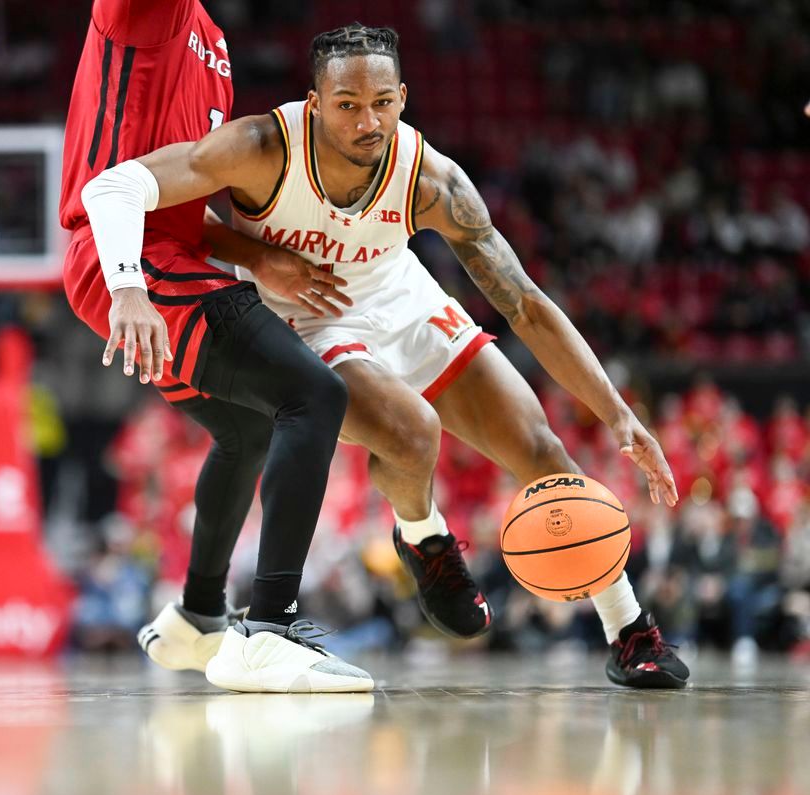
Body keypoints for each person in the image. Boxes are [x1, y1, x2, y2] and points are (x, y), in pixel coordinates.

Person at [83, 23, 690, 689]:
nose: (367, 121)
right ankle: (424, 534)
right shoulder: (261, 147)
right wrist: (171, 275)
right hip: (306, 312)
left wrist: (617, 414)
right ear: (315, 105)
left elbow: (525, 304)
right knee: (412, 432)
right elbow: (121, 190)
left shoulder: (432, 180)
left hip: (399, 293)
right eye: (347, 105)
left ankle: (631, 630)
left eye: (382, 103)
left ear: (402, 97)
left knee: (544, 454)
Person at [61, 0, 372, 692]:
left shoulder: (215, 45)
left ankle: (199, 619)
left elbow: (183, 201)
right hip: (127, 260)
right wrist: (127, 286)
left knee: (252, 425)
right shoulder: (149, 13)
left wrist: (255, 257)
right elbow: (116, 195)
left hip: (168, 255)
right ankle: (270, 630)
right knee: (313, 394)